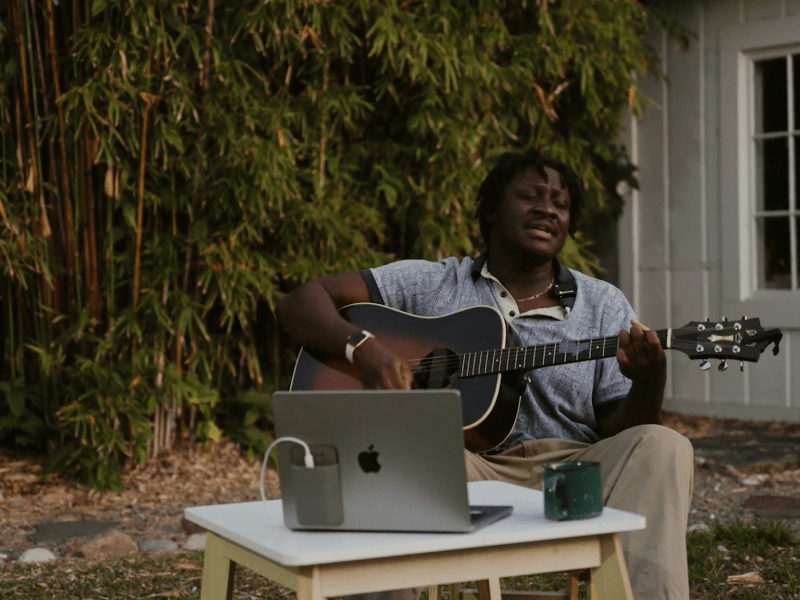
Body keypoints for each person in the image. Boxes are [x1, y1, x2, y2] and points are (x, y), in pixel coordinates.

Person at [276, 148, 693, 600]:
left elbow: (619, 426)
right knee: (393, 464)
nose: (547, 209)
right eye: (531, 195)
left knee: (664, 446)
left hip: (571, 477)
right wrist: (365, 351)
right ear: (493, 208)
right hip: (463, 466)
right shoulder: (434, 284)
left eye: (560, 203)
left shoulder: (603, 303)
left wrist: (650, 380)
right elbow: (302, 301)